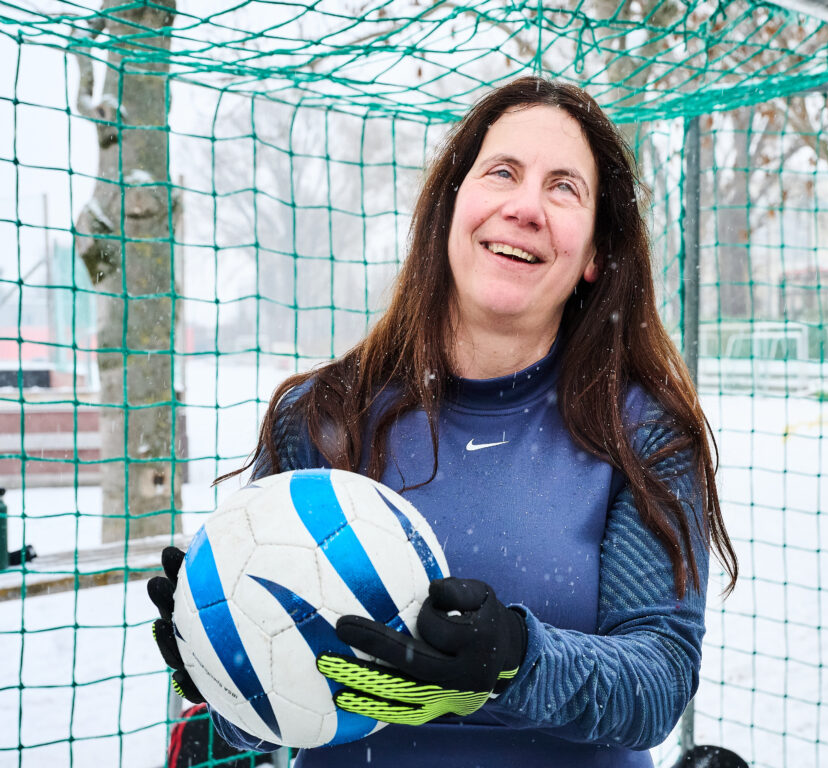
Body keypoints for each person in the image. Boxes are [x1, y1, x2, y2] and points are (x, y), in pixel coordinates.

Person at [149, 76, 738, 768]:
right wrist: (227, 674)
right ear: (451, 206)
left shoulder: (643, 432)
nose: (525, 207)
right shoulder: (322, 416)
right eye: (503, 172)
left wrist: (516, 659)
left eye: (563, 188)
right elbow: (279, 711)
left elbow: (657, 680)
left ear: (596, 256)